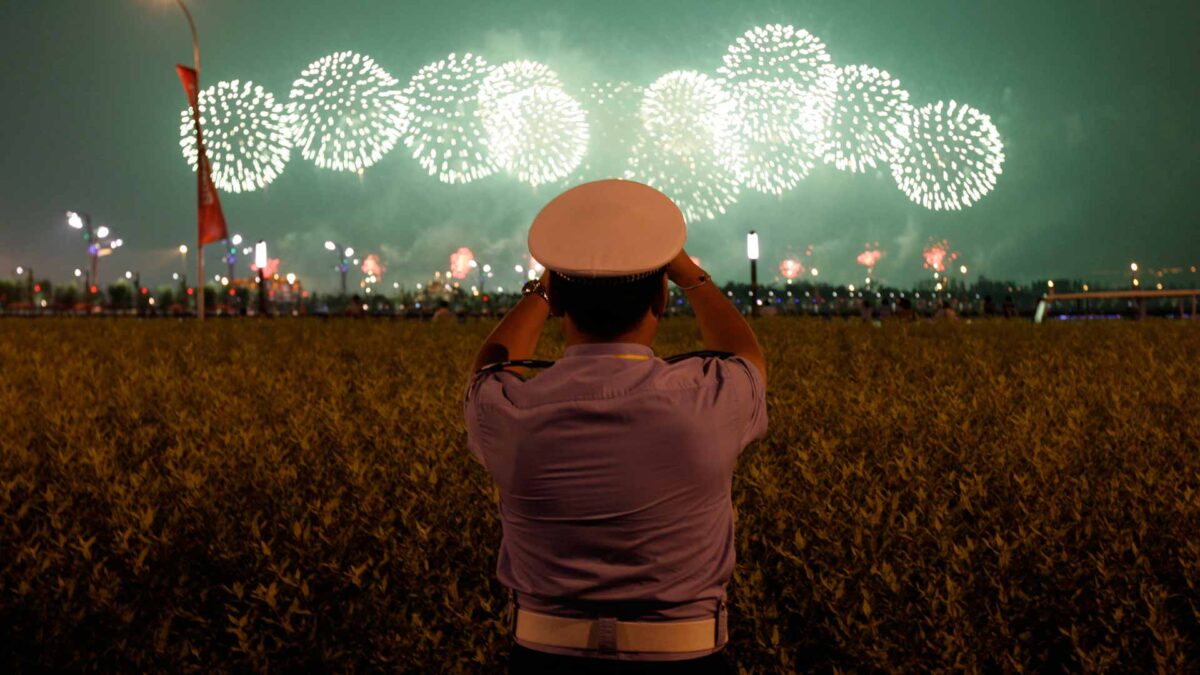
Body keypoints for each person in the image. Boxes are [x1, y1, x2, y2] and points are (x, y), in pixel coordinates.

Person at [463, 180, 767, 673]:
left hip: (541, 654)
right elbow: (745, 355)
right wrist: (689, 274)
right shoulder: (708, 398)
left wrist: (546, 285)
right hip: (685, 655)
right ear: (663, 300)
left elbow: (491, 365)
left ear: (558, 303)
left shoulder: (508, 408)